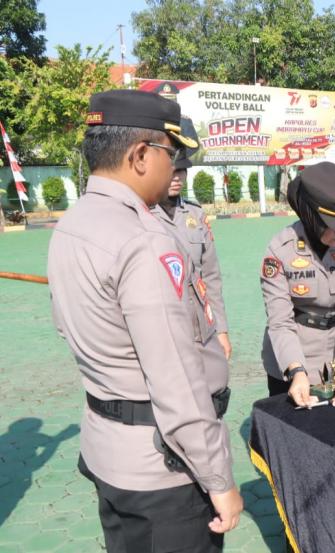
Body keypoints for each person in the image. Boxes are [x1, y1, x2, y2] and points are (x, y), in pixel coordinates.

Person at [47, 89, 243, 553]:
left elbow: (65, 328)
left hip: (109, 452)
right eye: (170, 153)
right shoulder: (144, 239)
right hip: (165, 473)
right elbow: (176, 379)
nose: (175, 167)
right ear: (139, 155)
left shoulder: (72, 223)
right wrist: (219, 480)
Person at [260, 161, 335, 407]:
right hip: (291, 356)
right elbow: (280, 321)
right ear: (311, 216)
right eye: (334, 226)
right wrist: (296, 371)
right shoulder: (279, 250)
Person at [151, 124, 232, 360]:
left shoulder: (195, 215)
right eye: (172, 171)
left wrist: (221, 329)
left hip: (200, 324)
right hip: (162, 324)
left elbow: (211, 277)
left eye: (181, 171)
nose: (176, 178)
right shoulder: (142, 214)